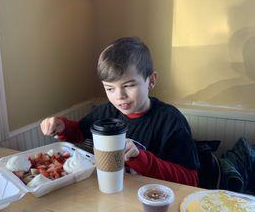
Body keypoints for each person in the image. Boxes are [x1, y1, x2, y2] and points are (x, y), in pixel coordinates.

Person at [40, 37, 199, 186]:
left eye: (129, 85)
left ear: (151, 81)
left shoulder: (170, 120)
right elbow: (79, 132)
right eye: (110, 88)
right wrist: (61, 126)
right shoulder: (105, 112)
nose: (120, 96)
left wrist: (141, 159)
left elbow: (190, 180)